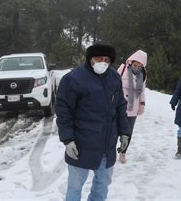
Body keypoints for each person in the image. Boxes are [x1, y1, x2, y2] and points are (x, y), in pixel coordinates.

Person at [56, 43, 131, 201]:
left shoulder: (114, 77)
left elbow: (120, 106)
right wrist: (68, 139)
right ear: (90, 58)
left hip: (107, 144)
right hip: (81, 144)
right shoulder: (73, 79)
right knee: (75, 187)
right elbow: (63, 111)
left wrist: (125, 132)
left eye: (106, 59)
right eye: (98, 58)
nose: (102, 62)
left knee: (102, 185)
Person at [116, 50, 148, 164]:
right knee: (114, 130)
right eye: (135, 65)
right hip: (119, 107)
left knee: (128, 132)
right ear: (130, 62)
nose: (137, 68)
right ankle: (108, 150)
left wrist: (142, 105)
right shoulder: (122, 69)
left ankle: (123, 152)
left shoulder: (142, 75)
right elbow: (113, 84)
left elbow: (142, 91)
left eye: (140, 66)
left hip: (133, 108)